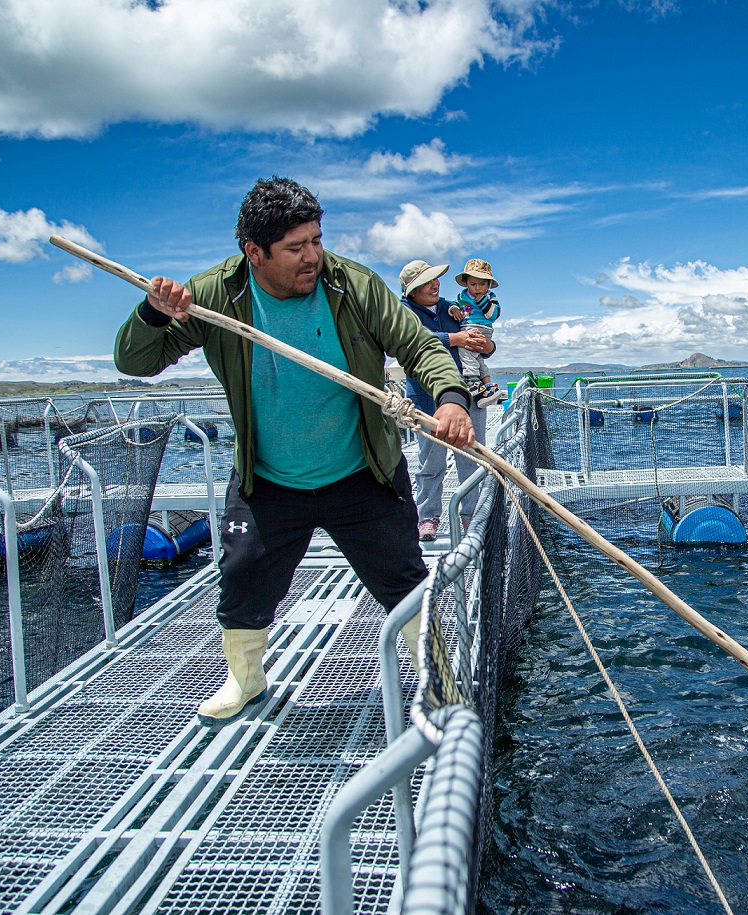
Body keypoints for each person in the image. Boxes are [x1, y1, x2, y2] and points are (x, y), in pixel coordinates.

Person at [114, 177, 474, 725]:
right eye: (295, 247)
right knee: (242, 581)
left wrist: (450, 399)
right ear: (253, 253)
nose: (313, 256)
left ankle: (442, 680)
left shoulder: (353, 285)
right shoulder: (213, 295)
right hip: (270, 478)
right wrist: (155, 314)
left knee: (403, 578)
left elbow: (418, 343)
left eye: (317, 240)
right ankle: (245, 680)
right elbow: (137, 363)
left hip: (362, 472)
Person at [399, 259, 492, 542]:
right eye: (427, 282)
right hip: (426, 401)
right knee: (431, 462)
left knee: (471, 459)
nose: (435, 284)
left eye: (436, 279)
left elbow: (483, 342)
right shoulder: (402, 312)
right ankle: (428, 516)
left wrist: (485, 345)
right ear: (412, 291)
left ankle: (471, 516)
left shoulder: (454, 306)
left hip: (469, 396)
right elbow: (412, 340)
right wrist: (456, 338)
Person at [450, 258, 505, 407]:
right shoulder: (462, 296)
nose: (477, 288)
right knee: (477, 357)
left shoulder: (489, 297)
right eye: (473, 284)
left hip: (480, 328)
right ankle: (488, 386)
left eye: (482, 284)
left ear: (488, 284)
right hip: (468, 325)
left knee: (465, 349)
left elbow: (493, 315)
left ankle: (473, 381)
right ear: (467, 283)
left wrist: (482, 301)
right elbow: (454, 304)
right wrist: (454, 309)